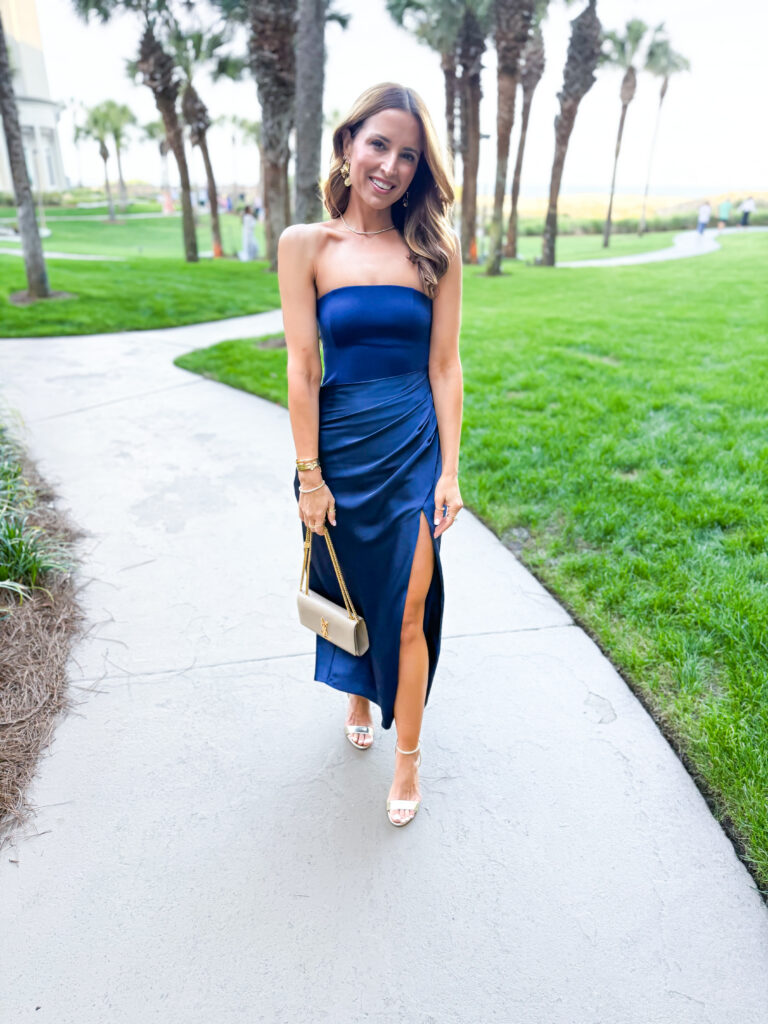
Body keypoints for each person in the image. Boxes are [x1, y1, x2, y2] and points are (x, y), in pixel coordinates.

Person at [278, 83, 463, 828]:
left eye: (408, 155)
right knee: (349, 591)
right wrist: (309, 477)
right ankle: (357, 690)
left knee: (410, 605)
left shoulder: (434, 250)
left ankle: (409, 758)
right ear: (348, 144)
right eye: (378, 144)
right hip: (338, 451)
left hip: (413, 448)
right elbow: (301, 367)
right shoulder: (305, 246)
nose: (390, 165)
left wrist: (450, 470)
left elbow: (445, 366)